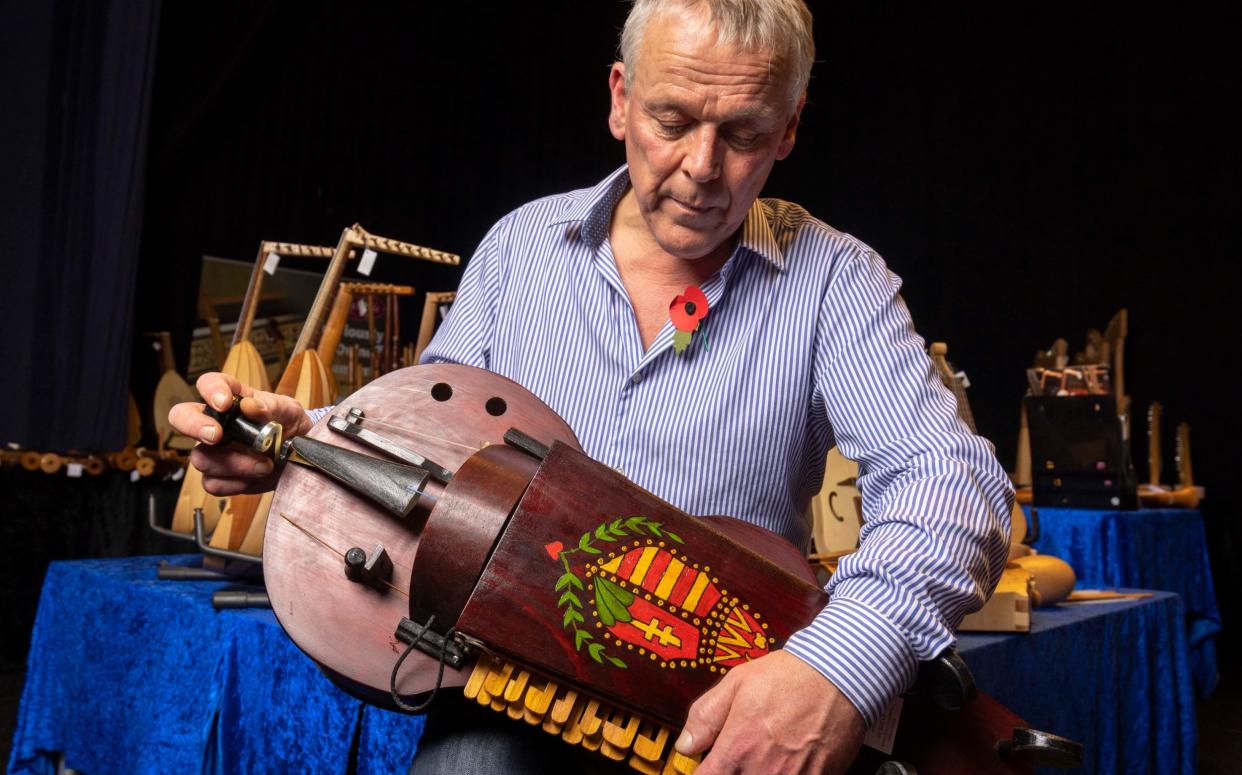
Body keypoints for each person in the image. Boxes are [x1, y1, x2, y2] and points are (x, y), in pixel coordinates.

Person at [171, 1, 1013, 772]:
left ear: (790, 128)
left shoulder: (835, 279)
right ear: (620, 98)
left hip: (723, 708)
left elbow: (951, 484)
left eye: (745, 133)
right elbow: (431, 433)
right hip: (509, 695)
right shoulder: (520, 247)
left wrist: (834, 665)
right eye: (671, 120)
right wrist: (303, 439)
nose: (701, 168)